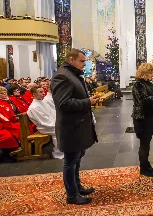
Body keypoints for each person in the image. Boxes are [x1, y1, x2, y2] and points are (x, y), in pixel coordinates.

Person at [51, 48, 99, 205]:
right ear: (71, 60)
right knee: (70, 162)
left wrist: (88, 99)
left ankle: (77, 187)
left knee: (77, 159)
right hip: (70, 128)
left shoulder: (72, 74)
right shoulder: (62, 76)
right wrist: (88, 102)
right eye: (82, 61)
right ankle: (72, 195)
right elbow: (63, 103)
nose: (84, 64)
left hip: (78, 126)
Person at [132, 63, 153, 177]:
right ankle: (143, 168)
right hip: (141, 117)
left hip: (148, 116)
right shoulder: (138, 85)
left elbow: (152, 97)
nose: (152, 74)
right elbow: (145, 100)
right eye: (151, 72)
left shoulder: (147, 84)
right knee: (144, 143)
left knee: (147, 142)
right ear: (145, 72)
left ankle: (146, 165)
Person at [27, 86, 63, 159]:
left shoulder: (42, 102)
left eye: (43, 92)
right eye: (40, 92)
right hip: (44, 127)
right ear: (34, 94)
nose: (43, 93)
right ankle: (59, 152)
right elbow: (44, 121)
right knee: (60, 129)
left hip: (49, 123)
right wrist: (58, 123)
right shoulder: (34, 107)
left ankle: (66, 148)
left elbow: (52, 113)